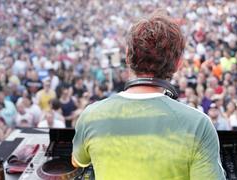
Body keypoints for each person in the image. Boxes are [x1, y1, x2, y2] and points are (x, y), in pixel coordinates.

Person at [72, 13, 225, 180]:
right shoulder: (198, 125)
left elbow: (78, 161)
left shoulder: (91, 116)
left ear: (127, 55)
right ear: (178, 63)